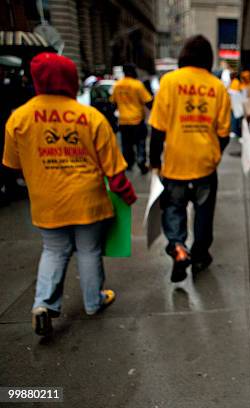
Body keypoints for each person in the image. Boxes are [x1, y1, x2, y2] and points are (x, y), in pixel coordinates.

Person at [2, 53, 137, 336]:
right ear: (71, 80)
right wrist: (126, 195)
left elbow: (12, 164)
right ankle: (93, 301)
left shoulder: (19, 118)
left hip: (46, 201)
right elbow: (114, 170)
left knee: (53, 250)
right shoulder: (90, 117)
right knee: (89, 251)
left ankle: (44, 305)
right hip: (87, 199)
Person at [149, 35, 231, 282]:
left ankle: (178, 246)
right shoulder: (217, 87)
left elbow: (157, 128)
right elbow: (224, 133)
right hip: (205, 164)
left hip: (175, 164)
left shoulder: (169, 82)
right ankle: (200, 255)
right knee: (204, 213)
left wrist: (155, 162)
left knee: (173, 209)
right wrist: (215, 155)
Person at [110, 63, 153, 174]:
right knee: (140, 142)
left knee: (126, 144)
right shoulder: (137, 85)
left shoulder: (117, 85)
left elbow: (113, 103)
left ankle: (128, 163)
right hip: (137, 119)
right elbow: (148, 101)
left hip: (123, 121)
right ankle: (141, 161)